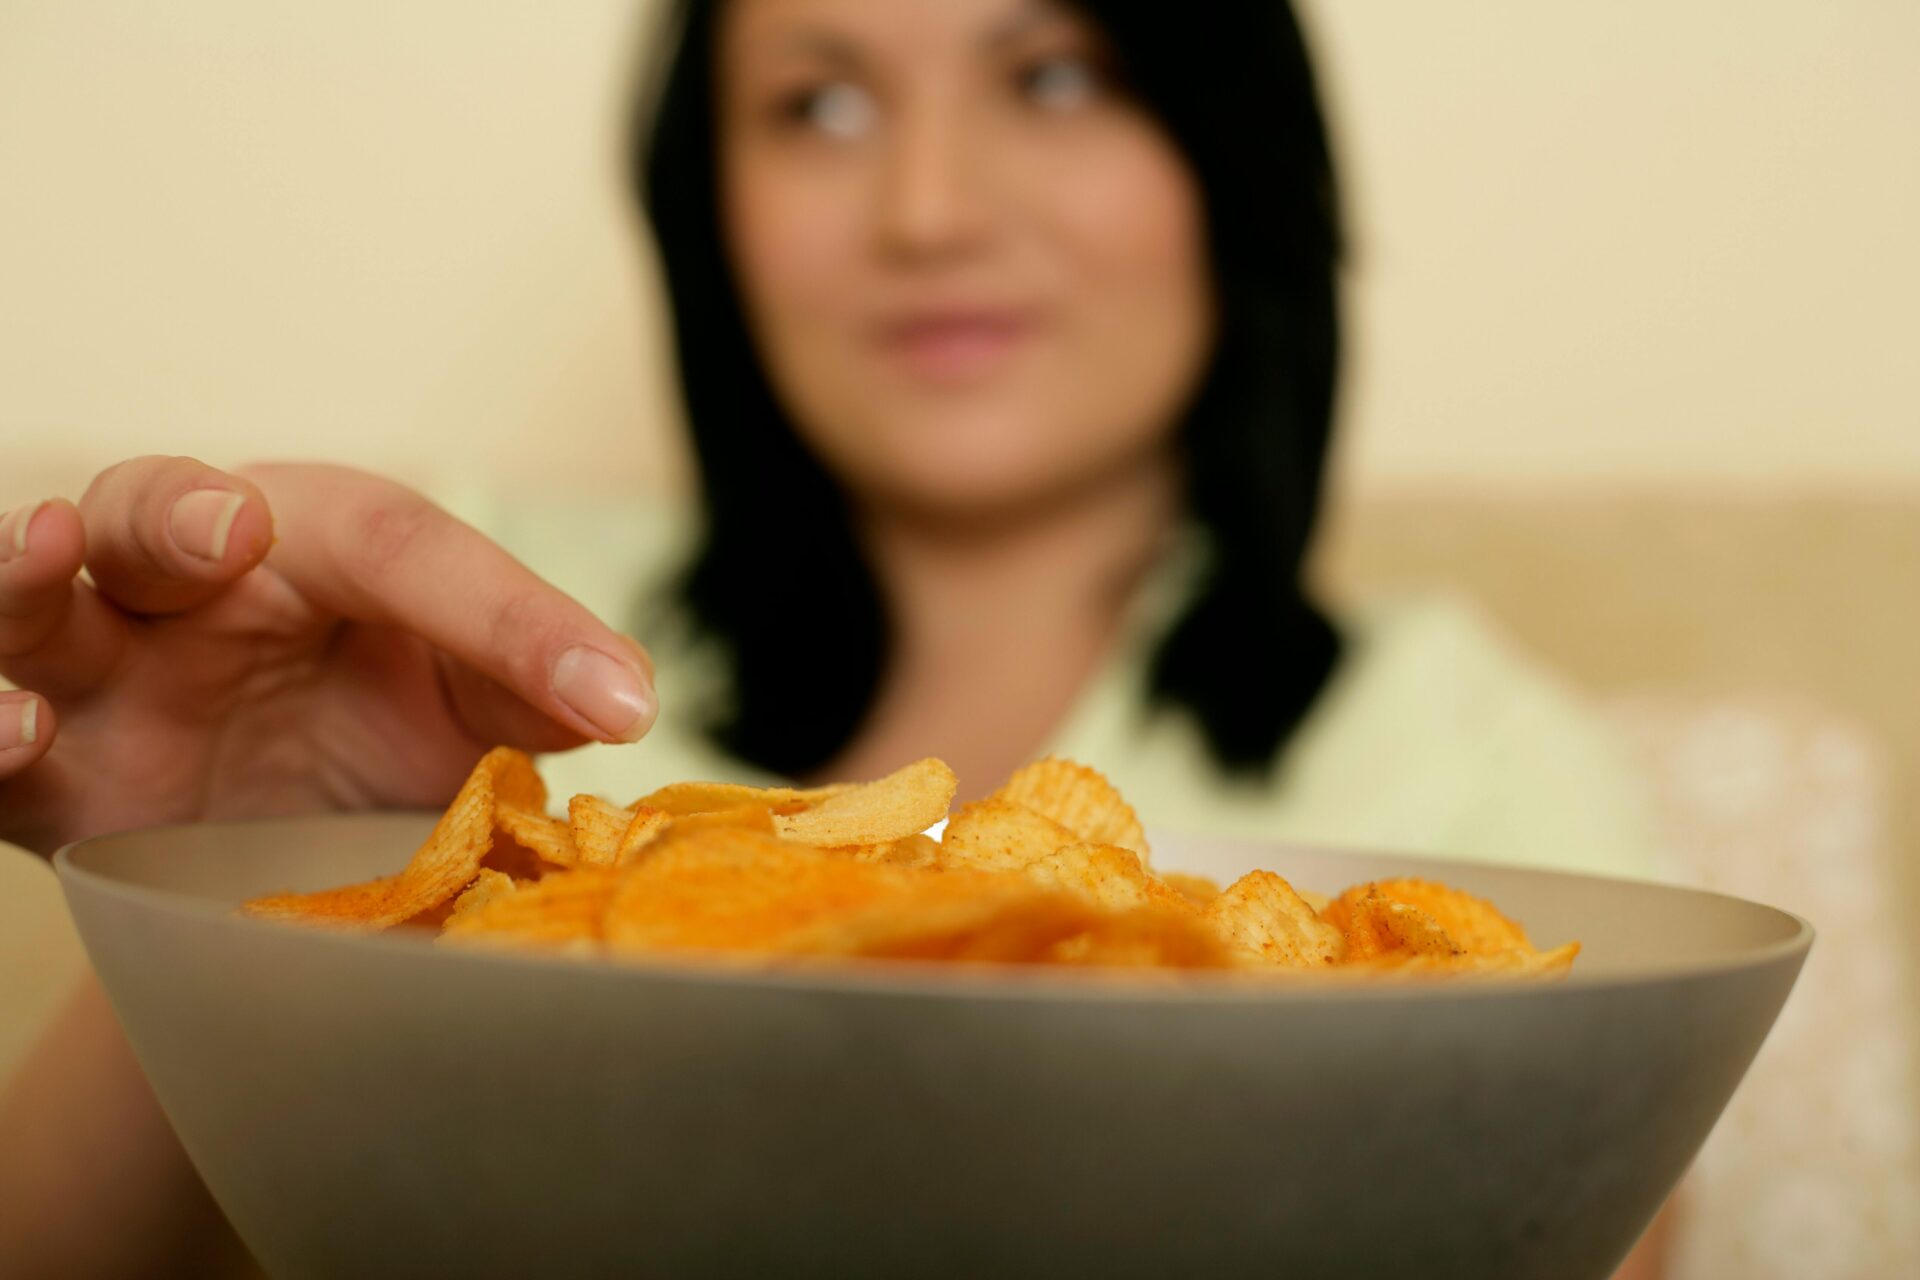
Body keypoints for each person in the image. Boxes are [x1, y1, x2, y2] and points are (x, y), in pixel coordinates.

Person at [0, 0, 1659, 1274]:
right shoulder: (446, 634)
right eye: (823, 103)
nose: (927, 208)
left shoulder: (1464, 749)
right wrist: (228, 906)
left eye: (1055, 73)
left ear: (1230, 148)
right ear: (708, 203)